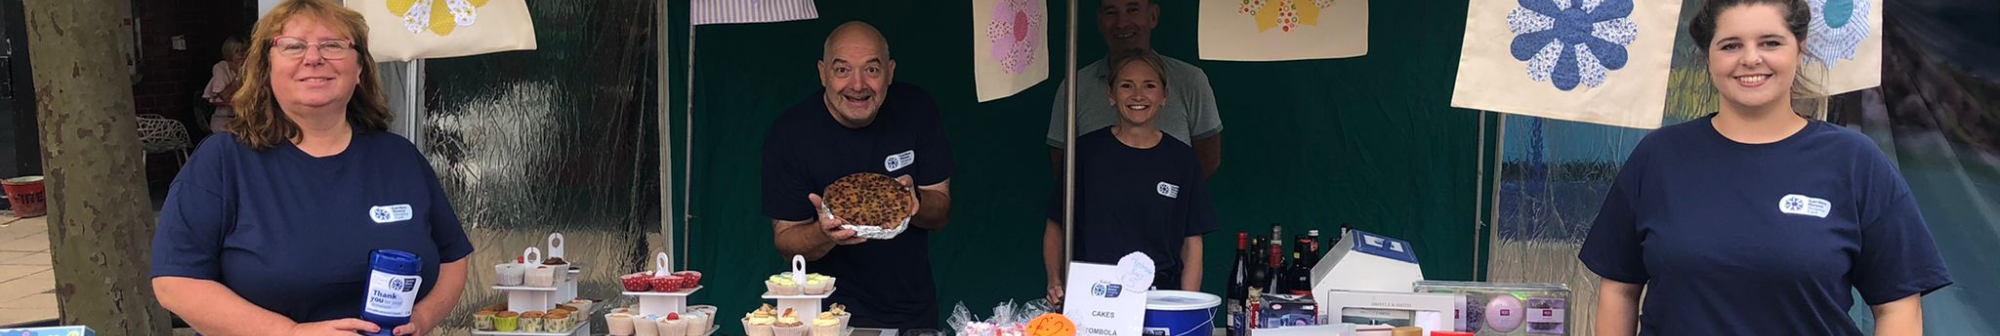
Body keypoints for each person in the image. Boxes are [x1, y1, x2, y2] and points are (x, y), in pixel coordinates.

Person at [1579, 0, 1951, 335]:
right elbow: (1619, 290)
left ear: (1800, 49)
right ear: (1708, 57)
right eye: (1731, 45)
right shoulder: (1659, 156)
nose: (1751, 58)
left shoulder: (1854, 161)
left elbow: (1898, 306)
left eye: (1770, 42)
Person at [150, 1, 472, 335]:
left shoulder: (399, 157)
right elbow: (176, 282)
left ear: (359, 69)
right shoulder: (222, 163)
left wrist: (422, 318)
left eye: (333, 45)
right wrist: (288, 333)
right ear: (265, 69)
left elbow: (452, 257)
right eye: (293, 46)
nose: (314, 57)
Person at [763, 21, 954, 330]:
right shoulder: (790, 134)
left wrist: (913, 201)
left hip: (911, 312)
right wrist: (824, 234)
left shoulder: (916, 109)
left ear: (890, 72)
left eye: (872, 70)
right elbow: (786, 241)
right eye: (842, 70)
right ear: (823, 72)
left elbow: (941, 212)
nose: (857, 85)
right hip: (825, 318)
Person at [1043, 51, 1217, 307]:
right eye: (1126, 86)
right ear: (1110, 95)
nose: (1138, 95)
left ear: (1164, 96)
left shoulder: (1181, 159)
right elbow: (1056, 224)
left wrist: (1185, 305)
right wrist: (1054, 280)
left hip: (1159, 297)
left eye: (1149, 86)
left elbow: (1192, 243)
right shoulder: (1084, 153)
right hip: (1094, 295)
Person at [1050, 0, 1222, 180]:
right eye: (1111, 12)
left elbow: (1208, 157)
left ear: (1153, 16)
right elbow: (1062, 164)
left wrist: (1167, 198)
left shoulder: (1190, 80)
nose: (1122, 23)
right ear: (1100, 21)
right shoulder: (1074, 86)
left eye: (1132, 10)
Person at [203, 36, 249, 133]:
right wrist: (239, 78)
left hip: (246, 119)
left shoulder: (251, 68)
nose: (241, 54)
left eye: (243, 50)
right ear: (229, 52)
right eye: (236, 51)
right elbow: (224, 95)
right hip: (224, 119)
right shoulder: (221, 67)